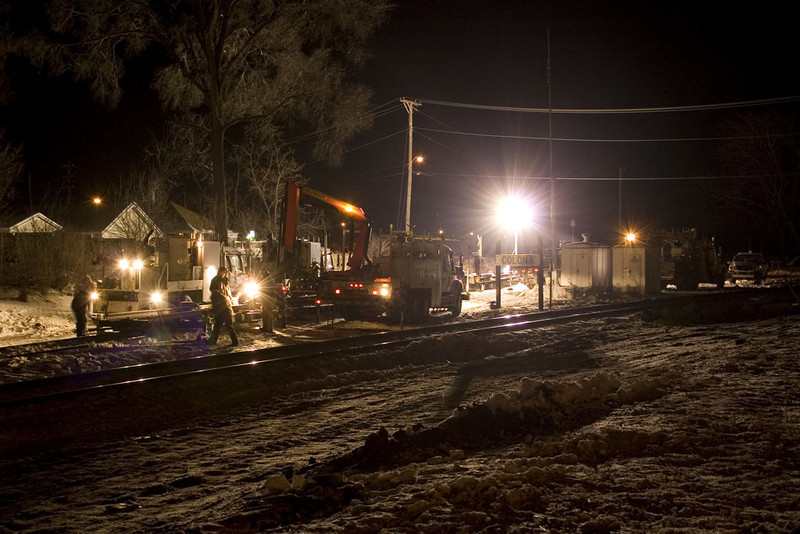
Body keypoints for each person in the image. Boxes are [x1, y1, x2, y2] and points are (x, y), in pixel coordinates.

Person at [208, 266, 239, 346]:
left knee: (218, 326)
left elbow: (224, 293)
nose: (224, 274)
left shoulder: (220, 280)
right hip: (224, 308)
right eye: (224, 272)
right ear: (221, 272)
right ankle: (235, 342)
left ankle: (213, 341)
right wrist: (230, 300)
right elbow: (223, 293)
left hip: (221, 308)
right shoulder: (219, 281)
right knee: (227, 325)